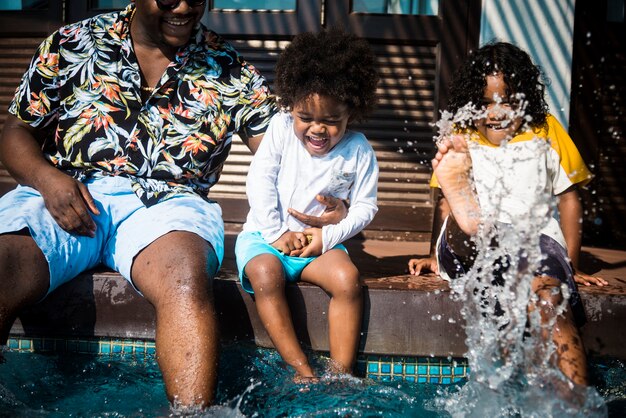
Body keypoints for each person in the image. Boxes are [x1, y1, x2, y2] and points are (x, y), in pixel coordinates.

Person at [0, 0, 283, 410]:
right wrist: (47, 180)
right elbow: (16, 132)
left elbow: (281, 153)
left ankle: (192, 413)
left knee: (186, 275)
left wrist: (324, 197)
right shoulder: (71, 43)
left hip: (167, 205)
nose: (184, 7)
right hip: (66, 191)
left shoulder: (228, 68)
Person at [406, 42, 608, 386]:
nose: (496, 113)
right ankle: (469, 220)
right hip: (473, 247)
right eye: (485, 103)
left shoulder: (545, 129)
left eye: (508, 102)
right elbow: (443, 204)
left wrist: (571, 265)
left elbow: (569, 198)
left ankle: (573, 400)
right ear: (472, 102)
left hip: (535, 243)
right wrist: (432, 257)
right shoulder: (461, 136)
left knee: (549, 301)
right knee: (463, 225)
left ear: (525, 98)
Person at [234, 29, 380, 381]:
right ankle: (301, 369)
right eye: (306, 117)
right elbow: (259, 180)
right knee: (265, 273)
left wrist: (326, 238)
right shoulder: (281, 130)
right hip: (263, 237)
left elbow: (365, 207)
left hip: (316, 245)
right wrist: (276, 232)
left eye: (331, 121)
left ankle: (340, 374)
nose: (317, 129)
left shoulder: (359, 150)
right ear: (291, 107)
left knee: (347, 279)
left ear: (351, 114)